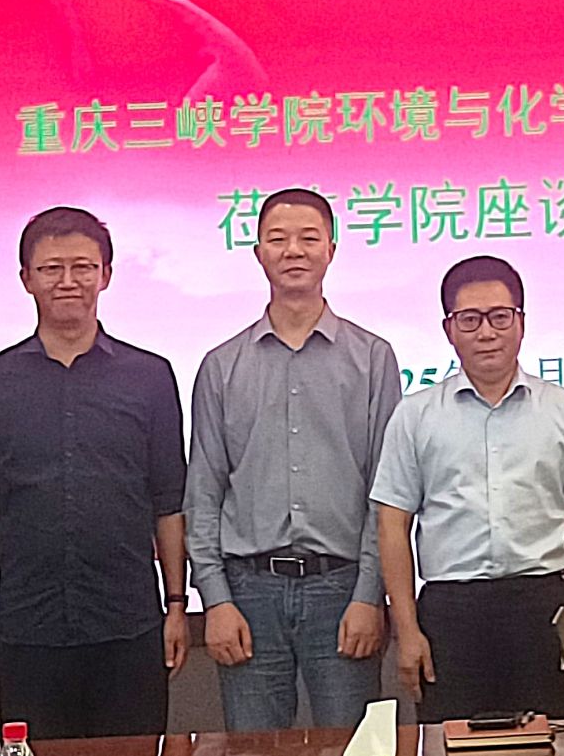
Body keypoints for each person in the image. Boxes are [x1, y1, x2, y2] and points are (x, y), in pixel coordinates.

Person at [0, 207, 188, 738]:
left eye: (83, 267)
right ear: (26, 279)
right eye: (51, 268)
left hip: (129, 622)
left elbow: (168, 500)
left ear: (106, 275)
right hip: (27, 627)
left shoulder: (150, 376)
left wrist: (176, 605)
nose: (68, 281)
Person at [187, 188, 402, 731]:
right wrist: (215, 599)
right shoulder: (221, 365)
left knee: (353, 746)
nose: (294, 250)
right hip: (248, 593)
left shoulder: (373, 359)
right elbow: (204, 494)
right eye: (278, 239)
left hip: (342, 589)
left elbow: (386, 493)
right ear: (258, 252)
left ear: (332, 249)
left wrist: (369, 594)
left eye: (309, 238)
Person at [372, 256, 564, 722]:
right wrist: (406, 630)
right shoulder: (415, 415)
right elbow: (392, 524)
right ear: (449, 330)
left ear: (521, 323)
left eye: (500, 317)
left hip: (542, 608)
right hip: (450, 612)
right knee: (452, 743)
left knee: (548, 741)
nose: (486, 332)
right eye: (470, 319)